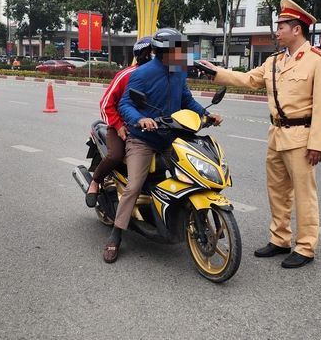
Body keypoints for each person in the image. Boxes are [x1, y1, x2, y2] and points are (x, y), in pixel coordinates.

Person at [197, 0, 321, 269]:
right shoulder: (275, 61)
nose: (277, 31)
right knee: (277, 192)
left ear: (297, 29)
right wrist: (216, 73)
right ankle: (280, 239)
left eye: (281, 26)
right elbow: (248, 79)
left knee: (305, 194)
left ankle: (306, 247)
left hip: (302, 137)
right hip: (276, 135)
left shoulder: (320, 60)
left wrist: (317, 143)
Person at [103, 28, 223, 263]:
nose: (182, 54)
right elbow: (125, 104)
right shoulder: (142, 73)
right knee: (134, 185)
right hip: (143, 139)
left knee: (192, 170)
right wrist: (140, 119)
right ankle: (116, 234)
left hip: (170, 137)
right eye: (178, 50)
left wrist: (207, 114)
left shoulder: (178, 72)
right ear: (162, 52)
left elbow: (186, 100)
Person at [85, 37, 153, 207]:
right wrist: (118, 126)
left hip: (150, 128)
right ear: (144, 55)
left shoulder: (161, 76)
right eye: (153, 52)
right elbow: (106, 103)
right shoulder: (126, 75)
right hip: (121, 126)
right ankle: (95, 182)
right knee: (115, 156)